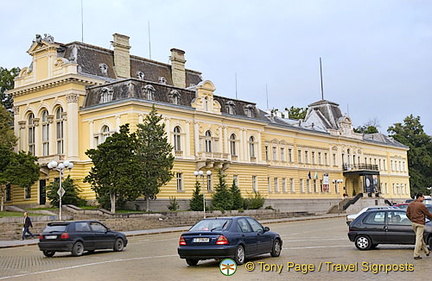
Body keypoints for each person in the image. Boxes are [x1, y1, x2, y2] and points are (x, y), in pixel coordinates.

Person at [406, 193, 432, 260]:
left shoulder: (410, 204)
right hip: (420, 223)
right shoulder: (421, 205)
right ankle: (416, 254)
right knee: (418, 239)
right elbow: (428, 214)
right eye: (423, 197)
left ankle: (426, 251)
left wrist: (411, 219)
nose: (423, 198)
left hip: (413, 223)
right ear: (419, 197)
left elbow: (407, 214)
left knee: (420, 238)